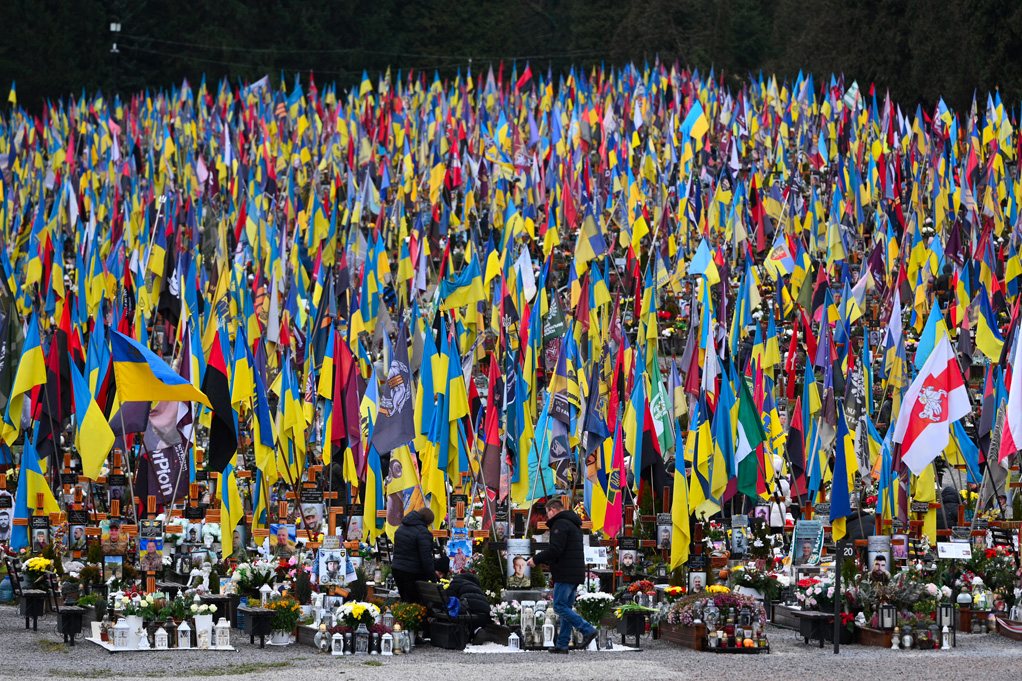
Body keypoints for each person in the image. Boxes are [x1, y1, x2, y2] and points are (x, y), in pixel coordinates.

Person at [529, 498, 598, 654]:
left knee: (559, 606)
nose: (547, 518)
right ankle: (562, 644)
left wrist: (536, 559)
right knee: (566, 607)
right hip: (574, 572)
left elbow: (555, 549)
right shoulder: (573, 523)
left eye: (547, 514)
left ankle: (588, 630)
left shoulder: (560, 524)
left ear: (553, 510)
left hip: (565, 572)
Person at [435, 556, 499, 643]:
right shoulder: (475, 585)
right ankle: (477, 631)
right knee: (474, 622)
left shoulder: (456, 582)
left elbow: (447, 598)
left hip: (470, 612)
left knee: (463, 613)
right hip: (484, 615)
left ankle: (471, 634)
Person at [391, 508, 435, 604]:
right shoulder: (423, 532)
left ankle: (402, 618)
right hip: (413, 573)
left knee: (405, 602)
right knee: (415, 604)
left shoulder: (401, 527)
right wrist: (434, 578)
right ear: (428, 521)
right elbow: (426, 558)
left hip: (397, 569)